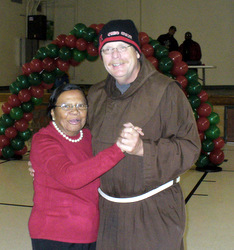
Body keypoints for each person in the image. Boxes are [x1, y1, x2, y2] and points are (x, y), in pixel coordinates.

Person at [87, 19, 201, 250]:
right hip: (107, 214)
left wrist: (143, 149)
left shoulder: (166, 91)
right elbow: (82, 145)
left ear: (137, 52)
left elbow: (190, 148)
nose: (115, 56)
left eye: (122, 47)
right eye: (107, 50)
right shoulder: (96, 94)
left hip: (153, 214)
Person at [28, 83, 130, 250]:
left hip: (90, 231)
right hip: (55, 234)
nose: (74, 111)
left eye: (80, 105)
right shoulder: (44, 140)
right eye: (66, 106)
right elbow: (70, 177)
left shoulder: (89, 136)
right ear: (53, 113)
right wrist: (119, 149)